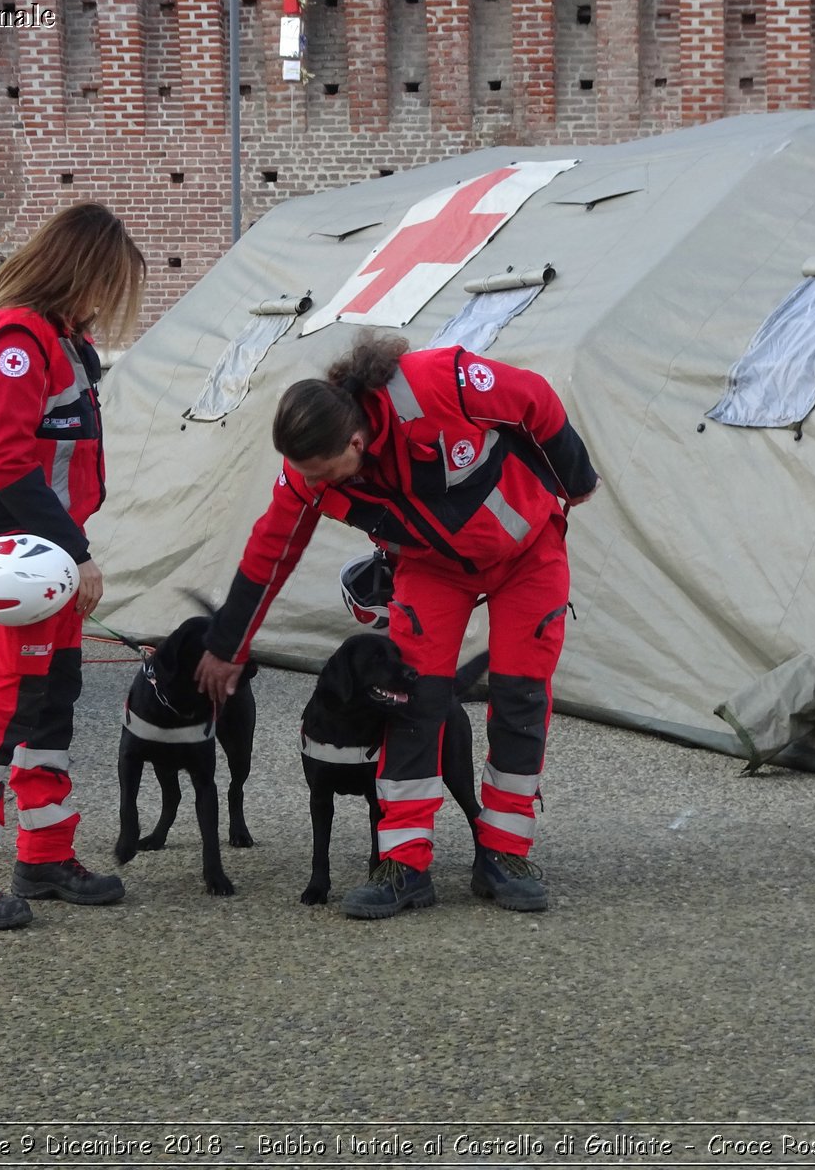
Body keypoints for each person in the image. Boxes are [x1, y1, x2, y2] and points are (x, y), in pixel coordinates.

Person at [195, 331, 600, 919]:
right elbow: (270, 551)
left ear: (356, 440)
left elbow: (534, 398)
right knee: (412, 702)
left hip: (530, 552)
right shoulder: (312, 468)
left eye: (326, 472)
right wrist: (228, 644)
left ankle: (505, 855)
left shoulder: (440, 383)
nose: (318, 484)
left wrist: (577, 479)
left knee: (519, 697)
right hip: (432, 570)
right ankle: (403, 863)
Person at [0, 203, 146, 930]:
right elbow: (11, 465)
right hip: (18, 550)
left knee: (52, 699)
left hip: (44, 547)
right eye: (105, 287)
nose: (106, 305)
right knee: (10, 702)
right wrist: (79, 554)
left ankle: (44, 853)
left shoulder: (58, 338)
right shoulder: (18, 338)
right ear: (79, 272)